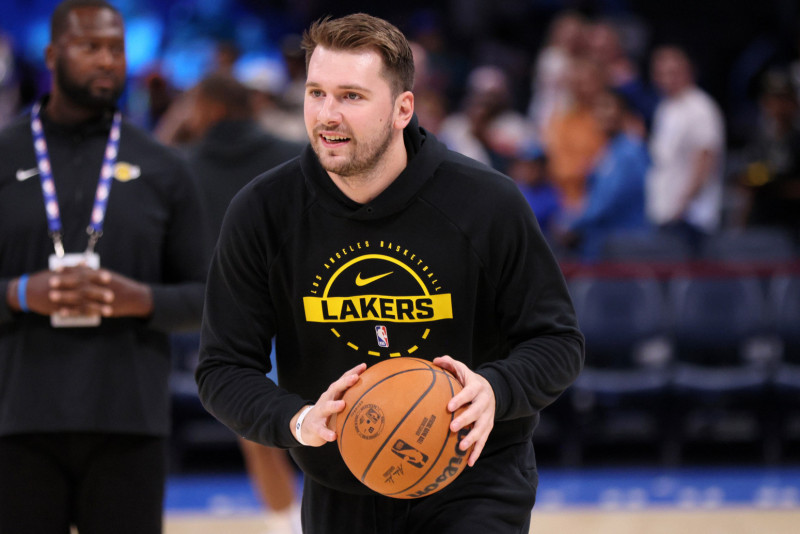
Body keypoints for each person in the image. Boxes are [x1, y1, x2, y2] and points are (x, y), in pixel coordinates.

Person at [195, 13, 583, 534]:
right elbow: (222, 368)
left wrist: (496, 389)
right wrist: (297, 420)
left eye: (351, 96)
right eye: (316, 94)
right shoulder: (263, 211)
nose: (327, 115)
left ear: (403, 109)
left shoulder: (486, 203)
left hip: (475, 480)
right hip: (341, 485)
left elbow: (558, 341)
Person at [0, 1, 208, 533]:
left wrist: (140, 299)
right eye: (90, 46)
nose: (107, 60)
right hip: (15, 421)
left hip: (129, 423)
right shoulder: (4, 155)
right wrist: (20, 293)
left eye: (116, 48)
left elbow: (207, 296)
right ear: (52, 55)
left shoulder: (165, 167)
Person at [182, 72, 304, 534]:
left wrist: (176, 121)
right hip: (303, 306)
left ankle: (283, 525)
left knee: (258, 433)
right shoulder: (295, 153)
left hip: (236, 315)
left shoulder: (185, 165)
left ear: (210, 109)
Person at [645, 45, 725, 253]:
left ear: (690, 72)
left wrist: (681, 207)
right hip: (665, 214)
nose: (667, 79)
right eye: (661, 73)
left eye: (674, 72)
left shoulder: (700, 107)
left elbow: (705, 159)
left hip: (691, 219)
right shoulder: (665, 108)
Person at [561, 89, 650, 261]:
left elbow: (607, 201)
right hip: (603, 244)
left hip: (623, 246)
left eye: (607, 106)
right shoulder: (609, 150)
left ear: (624, 113)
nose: (601, 113)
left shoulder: (629, 151)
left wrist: (572, 223)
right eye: (597, 108)